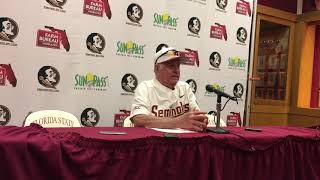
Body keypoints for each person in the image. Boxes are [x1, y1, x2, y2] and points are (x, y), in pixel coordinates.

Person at [130, 47, 208, 131]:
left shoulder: (185, 87)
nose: (176, 70)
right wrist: (179, 122)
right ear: (157, 68)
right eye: (171, 66)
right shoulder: (145, 87)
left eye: (178, 66)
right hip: (154, 141)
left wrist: (201, 120)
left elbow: (196, 115)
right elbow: (138, 119)